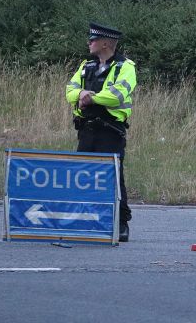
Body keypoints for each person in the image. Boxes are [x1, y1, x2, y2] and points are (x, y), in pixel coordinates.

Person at [65, 22, 137, 242]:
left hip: (110, 130)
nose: (89, 43)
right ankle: (84, 220)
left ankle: (121, 223)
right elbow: (70, 90)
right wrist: (81, 94)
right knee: (83, 176)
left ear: (105, 43)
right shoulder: (86, 65)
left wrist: (89, 96)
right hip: (86, 128)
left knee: (114, 177)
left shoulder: (126, 67)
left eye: (93, 40)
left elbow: (116, 95)